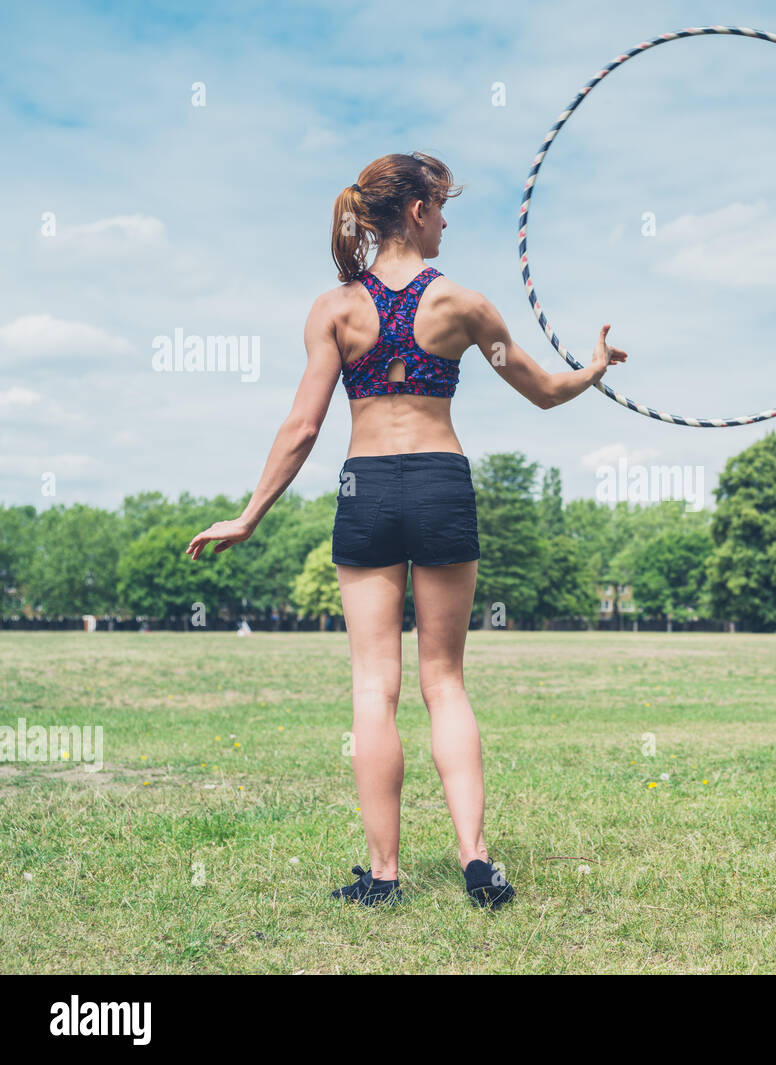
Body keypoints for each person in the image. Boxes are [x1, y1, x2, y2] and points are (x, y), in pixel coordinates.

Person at [186, 151, 627, 908]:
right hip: (439, 482)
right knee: (445, 681)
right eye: (443, 206)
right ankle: (478, 863)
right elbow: (544, 392)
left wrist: (250, 513)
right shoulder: (462, 306)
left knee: (373, 685)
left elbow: (302, 427)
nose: (449, 219)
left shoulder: (334, 310)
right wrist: (591, 369)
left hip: (366, 488)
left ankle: (384, 875)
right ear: (417, 211)